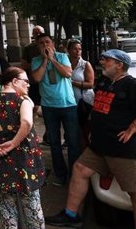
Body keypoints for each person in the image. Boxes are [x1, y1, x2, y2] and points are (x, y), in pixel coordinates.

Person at [45, 49, 136, 229]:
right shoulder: (106, 83)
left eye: (107, 60)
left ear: (120, 65)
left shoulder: (132, 85)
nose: (102, 62)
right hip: (100, 146)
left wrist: (133, 126)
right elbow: (100, 107)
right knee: (79, 169)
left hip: (123, 149)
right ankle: (71, 215)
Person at [0, 66, 46, 229]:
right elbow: (27, 122)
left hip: (1, 162)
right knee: (33, 211)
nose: (28, 85)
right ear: (14, 81)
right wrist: (14, 143)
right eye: (26, 81)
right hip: (25, 163)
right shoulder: (23, 101)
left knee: (7, 212)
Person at [31, 33, 80, 186]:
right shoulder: (36, 61)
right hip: (48, 106)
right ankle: (61, 175)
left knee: (72, 142)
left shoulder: (62, 57)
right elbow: (37, 78)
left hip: (67, 105)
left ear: (52, 43)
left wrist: (52, 58)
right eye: (41, 43)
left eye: (47, 42)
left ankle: (74, 175)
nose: (45, 45)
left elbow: (67, 73)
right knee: (54, 143)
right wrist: (45, 60)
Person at [67, 39, 94, 148]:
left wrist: (72, 83)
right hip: (70, 101)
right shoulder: (65, 64)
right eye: (75, 49)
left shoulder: (85, 65)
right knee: (73, 131)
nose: (78, 51)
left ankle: (84, 154)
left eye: (80, 49)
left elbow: (90, 84)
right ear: (68, 50)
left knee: (84, 130)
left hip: (84, 101)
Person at [21, 25, 44, 116]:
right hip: (34, 81)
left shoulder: (49, 46)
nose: (38, 34)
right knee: (34, 105)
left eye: (40, 32)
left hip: (48, 82)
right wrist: (37, 64)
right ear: (32, 34)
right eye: (35, 32)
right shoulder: (28, 48)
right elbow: (23, 64)